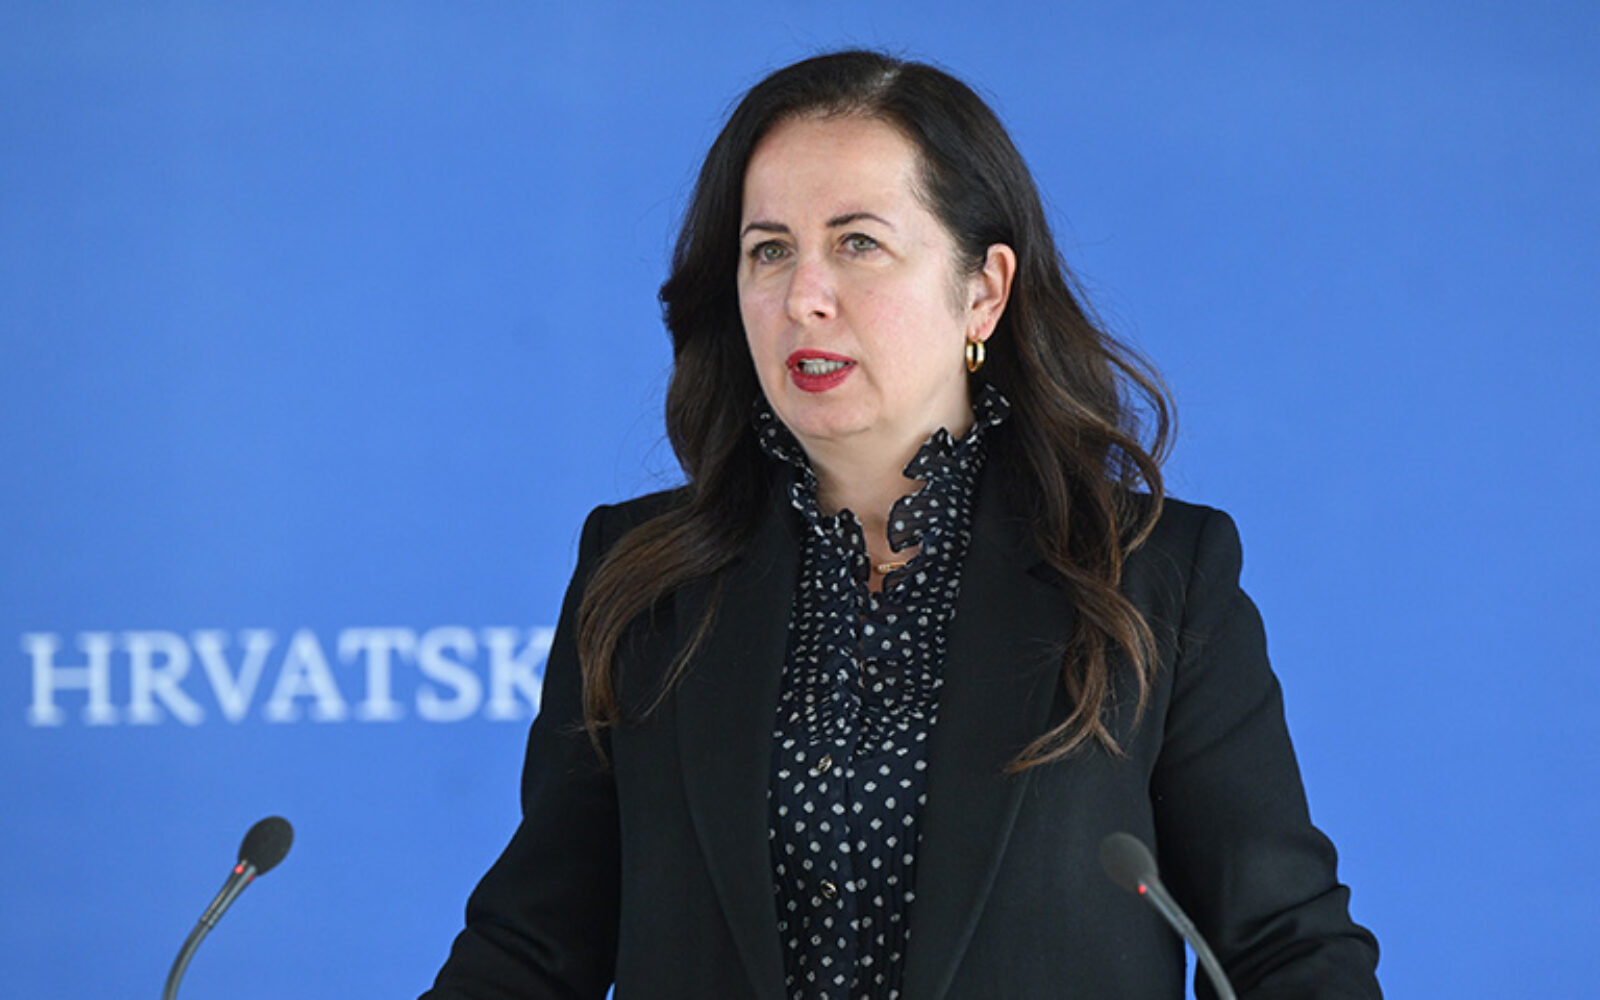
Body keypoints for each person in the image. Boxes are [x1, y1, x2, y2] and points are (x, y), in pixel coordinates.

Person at [422, 50, 1381, 999]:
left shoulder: (1152, 576)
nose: (804, 297)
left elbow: (1286, 951)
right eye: (769, 250)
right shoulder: (640, 579)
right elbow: (531, 953)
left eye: (858, 244)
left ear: (983, 291)